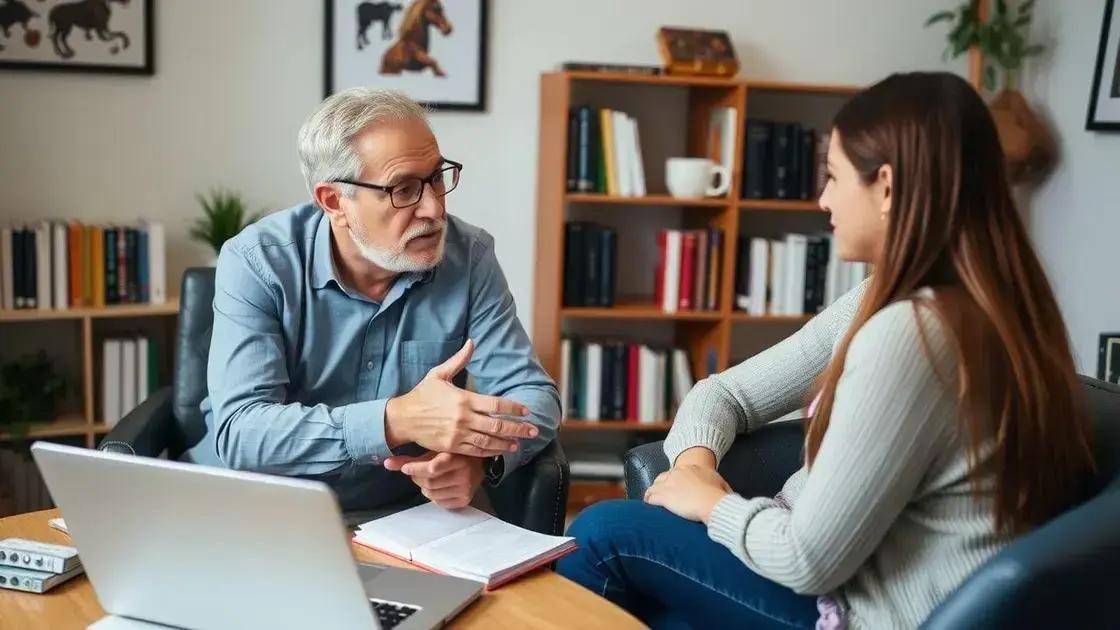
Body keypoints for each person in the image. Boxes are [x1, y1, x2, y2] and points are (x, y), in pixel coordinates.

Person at [557, 72, 1096, 629]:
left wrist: (711, 505)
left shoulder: (915, 335)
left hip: (859, 608)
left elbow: (807, 560)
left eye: (834, 177)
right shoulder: (960, 299)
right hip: (837, 572)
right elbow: (727, 393)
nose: (822, 199)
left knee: (602, 534)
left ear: (886, 187)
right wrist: (696, 467)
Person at [186, 88, 559, 514]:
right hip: (257, 506)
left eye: (437, 177)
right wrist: (397, 419)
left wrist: (479, 459)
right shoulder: (258, 262)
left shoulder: (469, 257)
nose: (434, 209)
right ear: (334, 202)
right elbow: (242, 434)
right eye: (403, 189)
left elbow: (532, 393)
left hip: (401, 518)